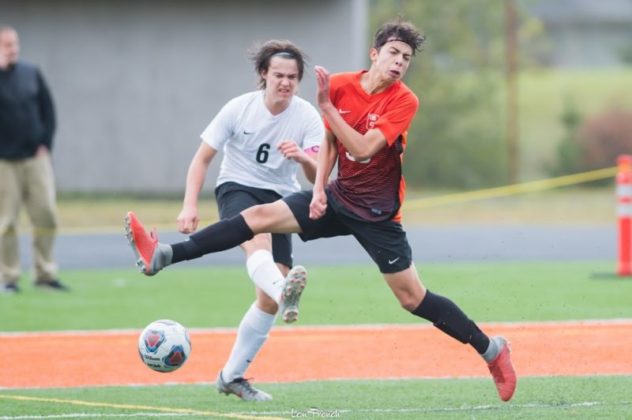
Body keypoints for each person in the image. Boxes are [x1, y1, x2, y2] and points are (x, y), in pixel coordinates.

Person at [125, 19, 517, 402]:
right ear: (375, 53)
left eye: (407, 57)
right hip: (338, 197)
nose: (399, 62)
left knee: (412, 298)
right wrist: (317, 190)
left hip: (378, 214)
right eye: (394, 53)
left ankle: (491, 350)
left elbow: (363, 149)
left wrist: (326, 107)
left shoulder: (403, 100)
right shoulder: (344, 85)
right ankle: (165, 254)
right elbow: (331, 141)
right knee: (257, 219)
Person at [140, 40, 322, 401]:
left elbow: (318, 176)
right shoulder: (239, 109)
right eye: (278, 76)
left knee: (268, 300)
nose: (285, 83)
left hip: (282, 197)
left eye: (292, 77)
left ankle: (231, 376)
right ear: (263, 75)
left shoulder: (307, 117)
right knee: (258, 243)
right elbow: (202, 159)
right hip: (237, 187)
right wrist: (189, 205)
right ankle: (285, 292)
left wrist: (302, 157)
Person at [0, 26, 68, 293]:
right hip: (5, 162)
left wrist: (45, 144)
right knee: (6, 222)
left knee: (47, 216)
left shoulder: (31, 73)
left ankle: (45, 273)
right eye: (6, 45)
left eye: (14, 44)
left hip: (35, 158)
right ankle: (9, 277)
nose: (12, 49)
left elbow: (48, 110)